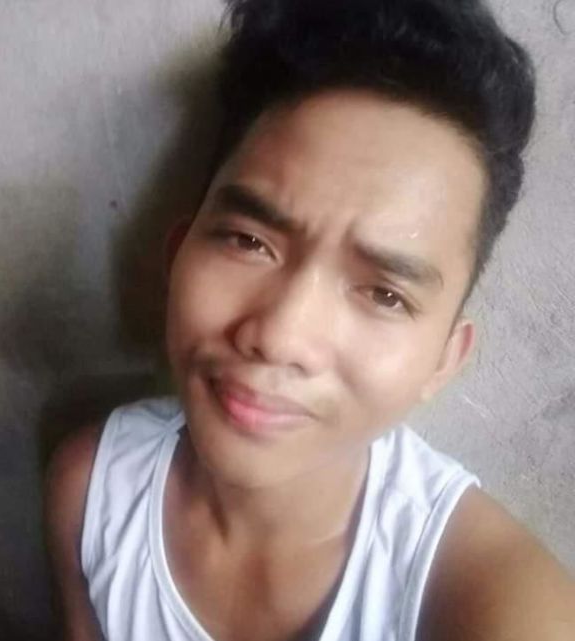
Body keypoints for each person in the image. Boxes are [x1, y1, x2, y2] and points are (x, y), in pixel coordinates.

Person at [44, 0, 575, 639]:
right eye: (248, 241)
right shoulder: (92, 493)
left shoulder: (491, 599)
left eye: (384, 294)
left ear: (443, 359)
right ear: (177, 253)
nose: (279, 336)